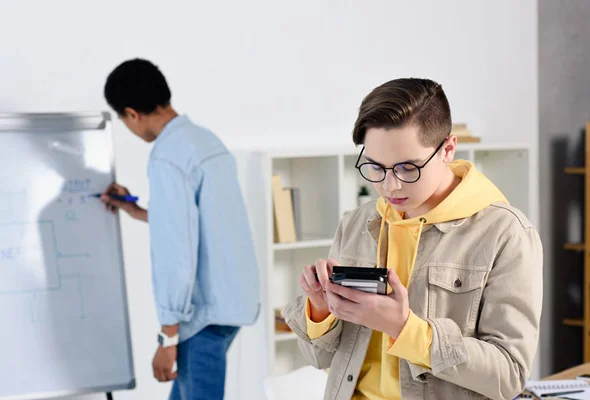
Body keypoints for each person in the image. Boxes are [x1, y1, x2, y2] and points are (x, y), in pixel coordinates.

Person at [283, 78, 543, 399]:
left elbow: (509, 376)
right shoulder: (357, 222)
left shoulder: (506, 234)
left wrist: (405, 329)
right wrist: (321, 309)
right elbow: (318, 358)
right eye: (375, 167)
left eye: (407, 168)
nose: (390, 186)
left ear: (448, 149)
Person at [102, 58, 260, 400]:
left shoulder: (167, 156)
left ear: (131, 113)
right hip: (231, 304)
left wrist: (167, 337)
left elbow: (177, 251)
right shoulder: (204, 141)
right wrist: (137, 210)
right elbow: (200, 222)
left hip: (201, 315)